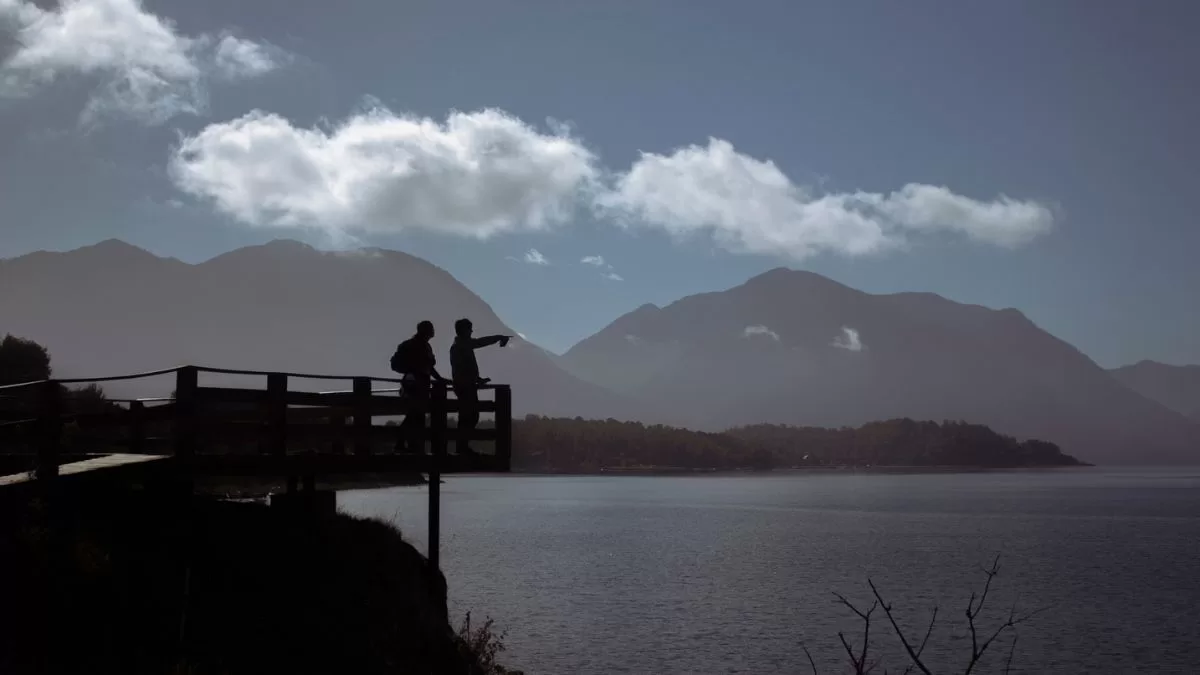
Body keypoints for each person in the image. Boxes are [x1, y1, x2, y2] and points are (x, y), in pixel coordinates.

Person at [449, 318, 510, 456]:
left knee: (468, 416)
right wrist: (498, 337)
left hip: (466, 385)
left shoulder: (460, 345)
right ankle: (462, 446)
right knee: (469, 416)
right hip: (465, 386)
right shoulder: (461, 346)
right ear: (463, 330)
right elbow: (481, 342)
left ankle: (462, 446)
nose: (471, 331)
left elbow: (465, 367)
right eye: (469, 329)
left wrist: (478, 379)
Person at [393, 320, 448, 454]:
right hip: (416, 384)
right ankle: (406, 444)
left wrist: (439, 378)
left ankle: (410, 445)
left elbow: (428, 366)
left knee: (415, 415)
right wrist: (439, 379)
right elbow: (428, 366)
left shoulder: (415, 345)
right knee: (415, 414)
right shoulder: (421, 346)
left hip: (414, 383)